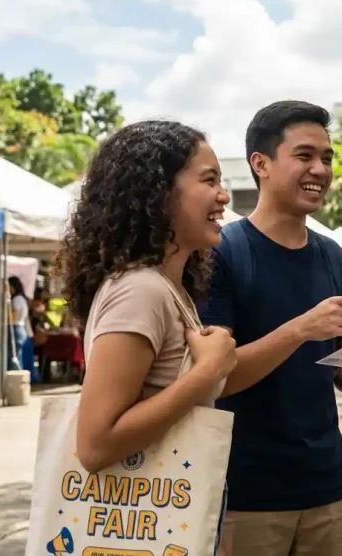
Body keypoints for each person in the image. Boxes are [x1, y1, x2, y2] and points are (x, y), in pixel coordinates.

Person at [199, 100, 342, 556]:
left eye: (327, 158)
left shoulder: (339, 260)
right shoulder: (220, 254)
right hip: (245, 491)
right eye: (305, 156)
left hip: (326, 483)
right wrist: (300, 329)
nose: (320, 170)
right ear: (261, 163)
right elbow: (216, 378)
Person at [57, 120, 237, 554]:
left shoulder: (167, 288)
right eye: (209, 180)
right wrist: (209, 369)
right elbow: (96, 444)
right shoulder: (141, 291)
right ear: (158, 193)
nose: (224, 196)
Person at [7, 276, 30, 370]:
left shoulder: (16, 300)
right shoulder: (22, 299)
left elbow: (13, 317)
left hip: (16, 329)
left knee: (14, 357)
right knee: (17, 356)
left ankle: (15, 380)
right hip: (21, 329)